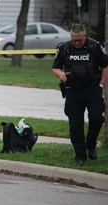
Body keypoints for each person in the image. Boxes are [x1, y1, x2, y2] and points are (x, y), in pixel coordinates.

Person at [52, 24, 108, 166]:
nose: (77, 43)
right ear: (71, 37)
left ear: (85, 36)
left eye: (80, 40)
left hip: (92, 89)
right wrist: (61, 74)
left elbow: (106, 66)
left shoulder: (95, 46)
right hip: (73, 91)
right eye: (74, 40)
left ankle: (91, 144)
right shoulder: (64, 48)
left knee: (97, 118)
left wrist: (101, 84)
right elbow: (55, 67)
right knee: (75, 125)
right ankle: (80, 156)